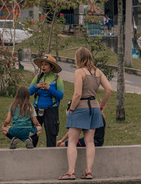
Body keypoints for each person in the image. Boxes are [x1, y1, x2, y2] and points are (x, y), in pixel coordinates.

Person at [59, 47, 112, 181]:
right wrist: (102, 105)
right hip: (94, 107)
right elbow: (109, 89)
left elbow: (77, 94)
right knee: (90, 141)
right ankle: (88, 171)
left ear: (79, 58)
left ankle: (71, 172)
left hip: (80, 107)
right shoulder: (98, 72)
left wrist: (71, 109)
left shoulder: (79, 72)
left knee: (72, 140)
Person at [29, 54, 64, 147]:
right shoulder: (38, 77)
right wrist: (37, 86)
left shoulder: (57, 79)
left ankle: (51, 156)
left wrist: (49, 88)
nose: (43, 67)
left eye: (46, 64)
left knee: (51, 134)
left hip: (51, 109)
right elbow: (28, 92)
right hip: (36, 109)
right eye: (42, 64)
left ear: (52, 67)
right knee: (33, 134)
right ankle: (30, 155)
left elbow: (60, 95)